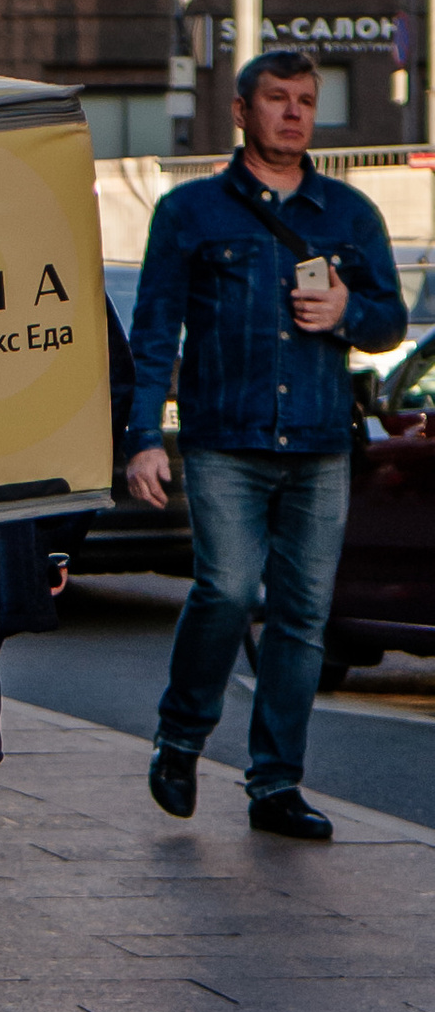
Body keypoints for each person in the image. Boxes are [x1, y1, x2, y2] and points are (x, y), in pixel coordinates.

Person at [126, 46, 404, 840]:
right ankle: (181, 735)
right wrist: (143, 437)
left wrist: (349, 312)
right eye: (277, 98)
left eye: (305, 100)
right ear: (241, 110)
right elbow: (155, 331)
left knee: (303, 615)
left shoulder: (349, 213)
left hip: (319, 443)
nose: (293, 113)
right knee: (226, 590)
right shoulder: (189, 212)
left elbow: (389, 322)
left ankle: (276, 783)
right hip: (225, 438)